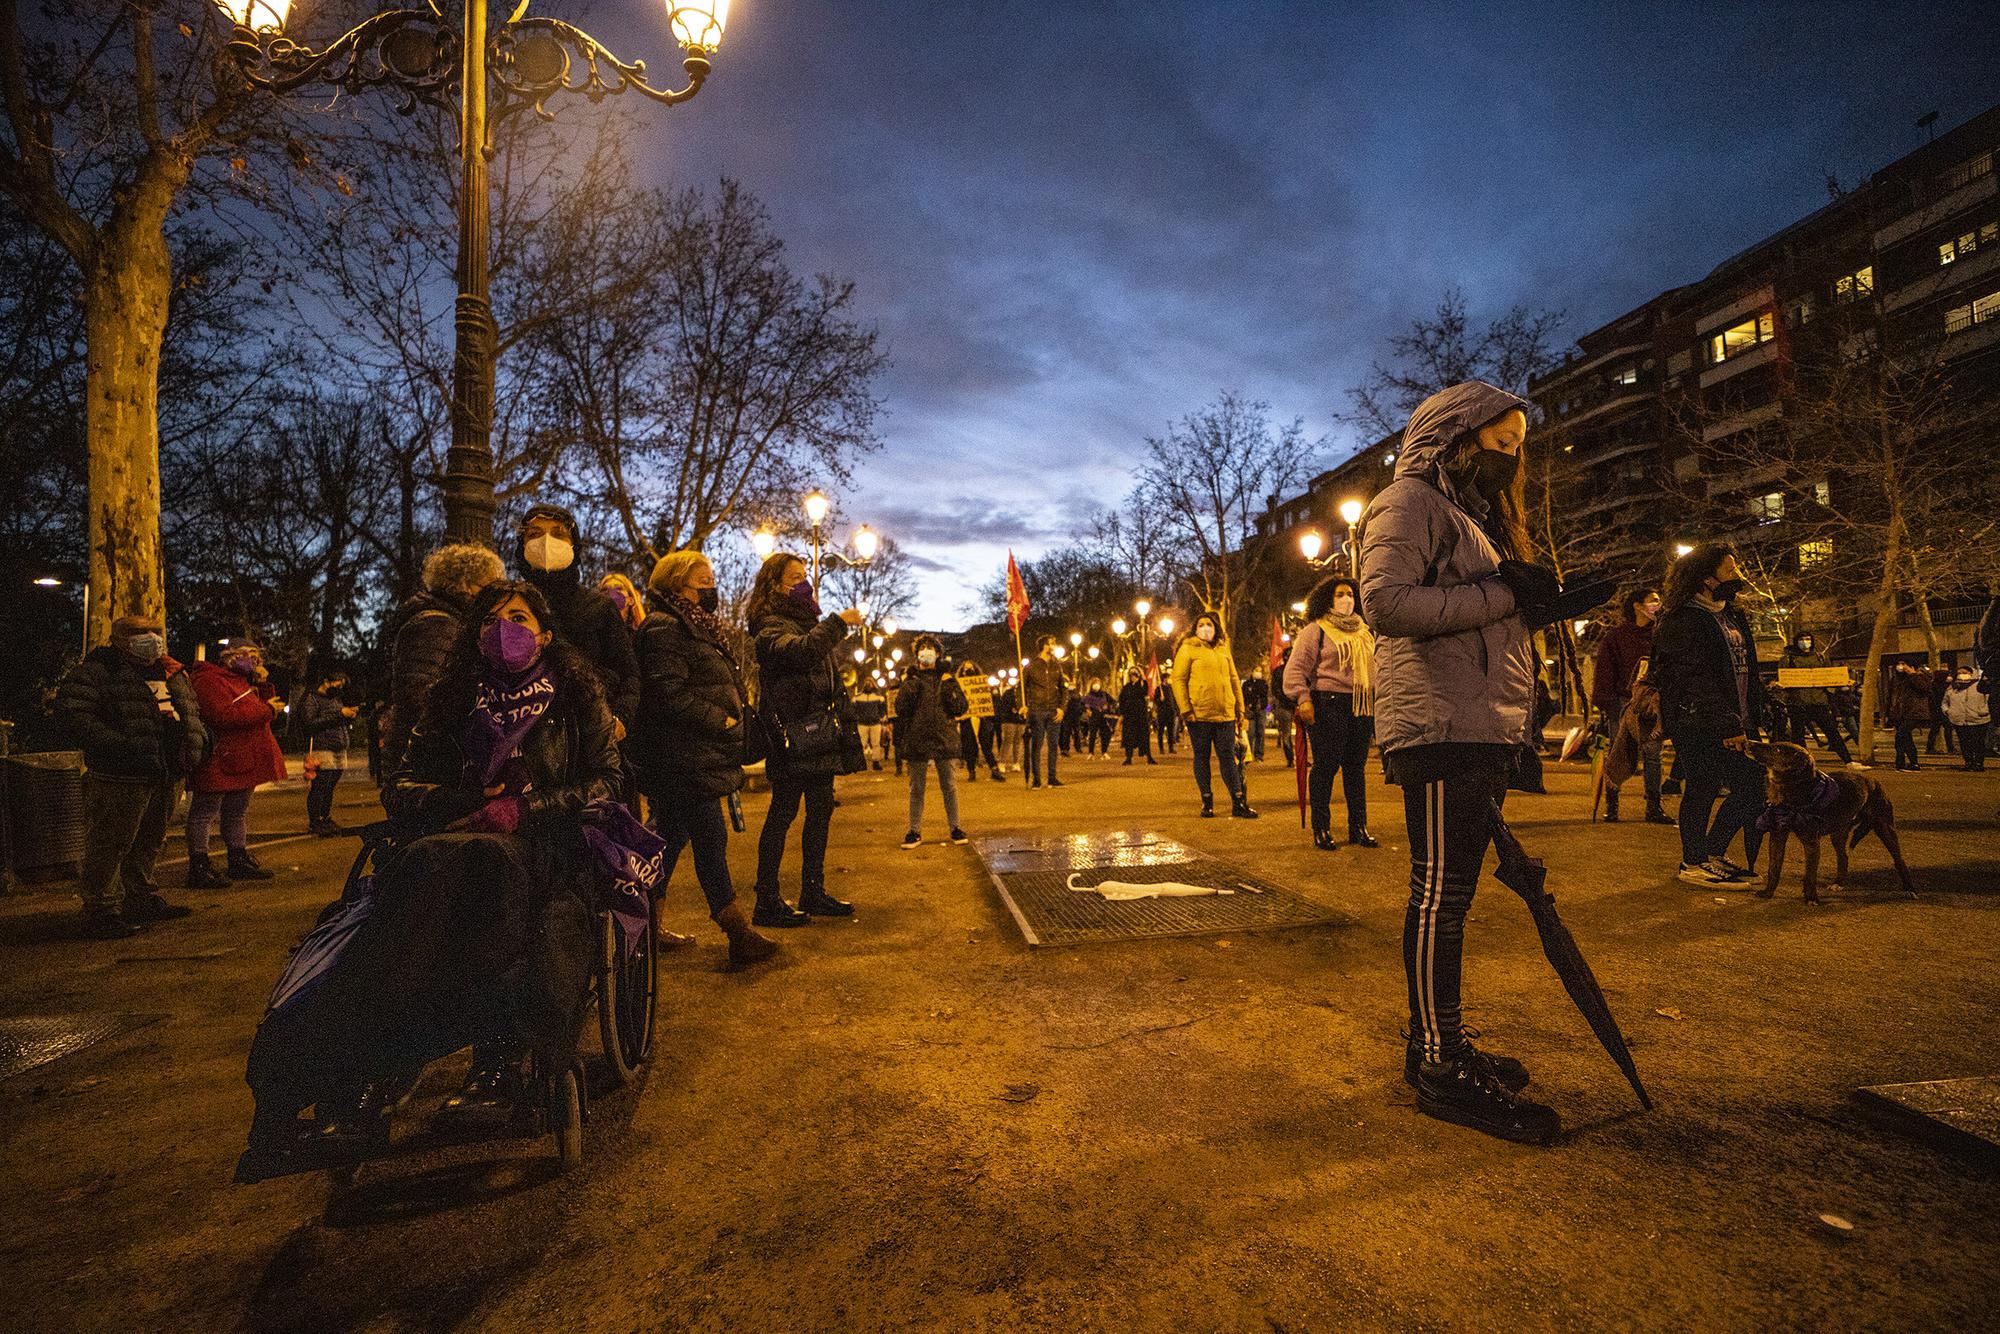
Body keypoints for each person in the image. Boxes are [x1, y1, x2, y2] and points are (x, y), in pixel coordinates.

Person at [248, 580, 628, 1138]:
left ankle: (497, 1058)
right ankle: (362, 1062)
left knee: (489, 878)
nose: (506, 631)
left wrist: (527, 809)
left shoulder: (575, 698)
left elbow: (607, 781)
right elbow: (400, 784)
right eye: (492, 621)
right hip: (446, 843)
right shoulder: (451, 701)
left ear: (546, 635)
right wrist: (464, 803)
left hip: (542, 845)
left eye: (520, 618)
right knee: (414, 892)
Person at [1360, 380, 1564, 1145]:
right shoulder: (1408, 500)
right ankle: (1444, 1065)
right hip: (1441, 722)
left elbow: (1477, 603)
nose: (1511, 460)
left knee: (1448, 892)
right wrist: (1503, 598)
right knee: (1442, 895)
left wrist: (1532, 601)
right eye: (1501, 444)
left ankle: (1432, 1045)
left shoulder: (1464, 514)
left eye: (1519, 448)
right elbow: (1387, 604)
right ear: (1456, 435)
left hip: (1472, 718)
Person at [633, 551, 778, 969]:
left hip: (693, 755)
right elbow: (668, 693)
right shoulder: (663, 627)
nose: (711, 588)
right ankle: (737, 932)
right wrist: (722, 720)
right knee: (709, 841)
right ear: (677, 584)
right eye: (703, 581)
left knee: (670, 842)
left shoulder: (692, 625)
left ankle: (646, 928)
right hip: (681, 756)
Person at [56, 615, 207, 938]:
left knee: (150, 840)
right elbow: (75, 714)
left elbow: (190, 711)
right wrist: (120, 745)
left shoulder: (171, 670)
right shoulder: (100, 671)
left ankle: (139, 895)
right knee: (111, 841)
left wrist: (197, 744)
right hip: (122, 774)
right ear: (120, 639)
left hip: (166, 769)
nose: (151, 638)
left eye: (156, 631)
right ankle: (102, 908)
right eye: (141, 633)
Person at [748, 551, 864, 921]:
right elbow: (801, 653)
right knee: (783, 812)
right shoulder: (770, 623)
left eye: (804, 576)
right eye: (794, 577)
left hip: (818, 733)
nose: (804, 583)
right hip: (793, 734)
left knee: (820, 811)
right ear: (775, 585)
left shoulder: (804, 621)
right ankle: (766, 900)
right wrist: (837, 623)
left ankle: (813, 890)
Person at [1650, 543, 1767, 888]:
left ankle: (1712, 852)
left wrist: (1750, 717)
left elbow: (1748, 671)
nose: (1737, 576)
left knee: (1752, 786)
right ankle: (1693, 862)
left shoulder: (1732, 614)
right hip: (1697, 720)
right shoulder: (1680, 619)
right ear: (1705, 578)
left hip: (1737, 719)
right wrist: (1727, 722)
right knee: (1702, 786)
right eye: (1729, 570)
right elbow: (1692, 676)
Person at [383, 543, 505, 778]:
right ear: (467, 584)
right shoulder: (437, 624)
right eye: (490, 587)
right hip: (425, 758)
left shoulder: (452, 620)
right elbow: (422, 693)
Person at [516, 504, 640, 731]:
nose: (546, 541)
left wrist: (621, 718)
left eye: (558, 533)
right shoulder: (509, 605)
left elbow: (627, 672)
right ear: (522, 545)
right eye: (534, 534)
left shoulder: (598, 606)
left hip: (588, 729)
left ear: (574, 545)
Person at [1283, 574, 1378, 851]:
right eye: (1339, 594)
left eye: (1350, 594)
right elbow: (1295, 670)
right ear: (1328, 599)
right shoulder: (1317, 630)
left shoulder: (1365, 632)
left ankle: (1358, 827)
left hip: (1361, 704)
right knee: (1326, 768)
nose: (1346, 599)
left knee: (1355, 769)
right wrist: (1303, 699)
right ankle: (1321, 828)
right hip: (1328, 704)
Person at [186, 640, 287, 888]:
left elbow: (261, 707)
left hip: (243, 758)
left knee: (237, 811)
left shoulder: (242, 682)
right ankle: (199, 864)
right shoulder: (209, 680)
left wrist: (263, 685)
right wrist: (266, 711)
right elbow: (222, 715)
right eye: (247, 655)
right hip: (220, 758)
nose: (253, 660)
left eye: (256, 655)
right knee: (205, 812)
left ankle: (238, 857)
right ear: (229, 657)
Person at [1591, 589, 1670, 824]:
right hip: (1622, 702)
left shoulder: (1660, 634)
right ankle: (1612, 805)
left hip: (1649, 702)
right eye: (1653, 600)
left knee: (1653, 754)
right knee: (1618, 751)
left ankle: (1654, 806)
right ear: (1637, 605)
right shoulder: (1617, 636)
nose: (1658, 604)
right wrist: (1606, 701)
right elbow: (1605, 669)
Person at [1170, 611, 1256, 819]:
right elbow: (1178, 680)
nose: (1205, 627)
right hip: (1198, 715)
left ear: (1216, 627)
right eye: (1201, 624)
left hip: (1225, 714)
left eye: (1209, 624)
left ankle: (1238, 802)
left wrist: (1239, 709)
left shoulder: (1223, 648)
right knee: (1202, 757)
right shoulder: (1188, 648)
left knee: (1228, 758)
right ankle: (1207, 801)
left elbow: (1234, 680)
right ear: (1195, 628)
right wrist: (1186, 709)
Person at [897, 636, 969, 848]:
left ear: (938, 654)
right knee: (916, 788)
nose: (926, 652)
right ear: (917, 654)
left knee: (949, 785)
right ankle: (914, 831)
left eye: (930, 649)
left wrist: (949, 687)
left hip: (943, 737)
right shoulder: (911, 680)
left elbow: (960, 708)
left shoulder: (947, 679)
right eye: (922, 648)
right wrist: (910, 685)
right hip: (917, 738)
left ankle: (955, 828)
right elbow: (901, 708)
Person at [1775, 630, 1863, 768]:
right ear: (1796, 642)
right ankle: (1802, 764)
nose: (1805, 642)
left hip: (1818, 702)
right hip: (1797, 703)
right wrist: (1781, 687)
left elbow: (1829, 679)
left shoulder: (1820, 658)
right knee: (1798, 737)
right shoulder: (1787, 660)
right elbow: (1783, 681)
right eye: (1802, 639)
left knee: (1832, 733)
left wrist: (1841, 683)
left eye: (1808, 639)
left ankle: (1848, 761)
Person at [294, 669, 360, 836]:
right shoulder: (312, 698)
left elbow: (336, 719)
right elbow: (309, 723)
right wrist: (340, 714)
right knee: (321, 785)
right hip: (322, 747)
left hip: (338, 746)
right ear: (326, 681)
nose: (340, 687)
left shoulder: (335, 699)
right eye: (338, 682)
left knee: (330, 786)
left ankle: (325, 817)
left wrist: (348, 715)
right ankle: (315, 820)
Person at [1022, 635, 1068, 788]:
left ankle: (1052, 777)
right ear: (1043, 646)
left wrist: (1062, 708)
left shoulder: (1057, 665)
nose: (1053, 647)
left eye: (1054, 643)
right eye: (1051, 644)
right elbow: (1021, 688)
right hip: (1037, 710)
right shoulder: (1031, 666)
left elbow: (1063, 688)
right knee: (1037, 745)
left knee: (1054, 745)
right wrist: (1023, 705)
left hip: (1054, 710)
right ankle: (1037, 779)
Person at [955, 660, 1003, 781]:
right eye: (966, 669)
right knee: (969, 746)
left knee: (986, 745)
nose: (969, 671)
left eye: (971, 669)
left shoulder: (982, 684)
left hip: (981, 718)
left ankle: (994, 769)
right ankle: (971, 771)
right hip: (966, 719)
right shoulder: (958, 686)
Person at [1885, 661, 1935, 772]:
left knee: (1901, 736)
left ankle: (1908, 763)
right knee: (1904, 738)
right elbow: (1891, 696)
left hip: (1913, 712)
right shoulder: (1896, 679)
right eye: (1899, 664)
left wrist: (1912, 674)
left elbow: (1924, 689)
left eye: (1904, 664)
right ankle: (1905, 763)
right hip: (1899, 714)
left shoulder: (1920, 677)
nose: (1901, 667)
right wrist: (1890, 713)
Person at [1943, 667, 1990, 770]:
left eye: (1965, 672)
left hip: (1978, 719)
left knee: (1978, 742)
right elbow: (1945, 701)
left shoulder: (1980, 685)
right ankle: (1968, 762)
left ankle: (1978, 763)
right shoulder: (1953, 687)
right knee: (1964, 743)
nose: (1962, 674)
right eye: (1959, 673)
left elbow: (1989, 699)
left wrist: (1984, 710)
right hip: (1959, 720)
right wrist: (1948, 711)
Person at [1117, 667, 1155, 765]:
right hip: (1129, 716)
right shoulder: (1126, 687)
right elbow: (1121, 700)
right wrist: (1122, 713)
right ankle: (1128, 757)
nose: (1133, 678)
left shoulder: (1142, 684)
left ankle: (1149, 757)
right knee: (1129, 737)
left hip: (1140, 715)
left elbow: (1145, 691)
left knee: (1144, 737)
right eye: (1131, 676)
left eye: (1134, 676)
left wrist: (1143, 676)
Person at [850, 673, 887, 771]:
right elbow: (853, 710)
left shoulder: (878, 697)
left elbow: (882, 709)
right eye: (867, 683)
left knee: (875, 743)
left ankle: (875, 762)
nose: (868, 685)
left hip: (874, 723)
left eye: (870, 683)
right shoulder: (858, 697)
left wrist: (881, 717)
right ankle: (860, 763)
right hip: (863, 723)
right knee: (862, 743)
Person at [995, 678, 1025, 773]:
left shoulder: (1025, 694)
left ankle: (1016, 762)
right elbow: (1003, 706)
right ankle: (1002, 762)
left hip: (1021, 721)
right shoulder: (1008, 693)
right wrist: (1014, 709)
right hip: (1009, 720)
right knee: (1008, 740)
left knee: (1017, 741)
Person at [1242, 669, 1270, 762]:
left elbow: (1264, 694)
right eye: (1256, 670)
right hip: (1250, 711)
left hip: (1261, 710)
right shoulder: (1247, 684)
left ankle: (1259, 755)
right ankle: (1248, 754)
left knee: (1260, 733)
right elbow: (1245, 695)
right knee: (1250, 733)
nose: (1258, 672)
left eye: (1259, 671)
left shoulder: (1263, 684)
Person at [1082, 678, 1115, 757]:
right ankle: (1091, 753)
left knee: (1105, 734)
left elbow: (1113, 702)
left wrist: (1107, 707)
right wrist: (1087, 710)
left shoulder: (1104, 694)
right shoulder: (1088, 696)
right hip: (1093, 716)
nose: (1096, 685)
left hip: (1103, 717)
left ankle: (1104, 752)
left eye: (1098, 683)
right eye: (1094, 683)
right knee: (1092, 735)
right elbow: (1082, 704)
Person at [1152, 675, 1180, 753]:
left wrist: (1176, 710)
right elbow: (1155, 701)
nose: (1169, 680)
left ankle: (1171, 748)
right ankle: (1161, 749)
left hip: (1170, 713)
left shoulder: (1170, 689)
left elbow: (1174, 701)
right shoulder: (1159, 689)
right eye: (1168, 678)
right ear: (1164, 679)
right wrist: (1160, 700)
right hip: (1162, 713)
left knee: (1170, 731)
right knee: (1160, 731)